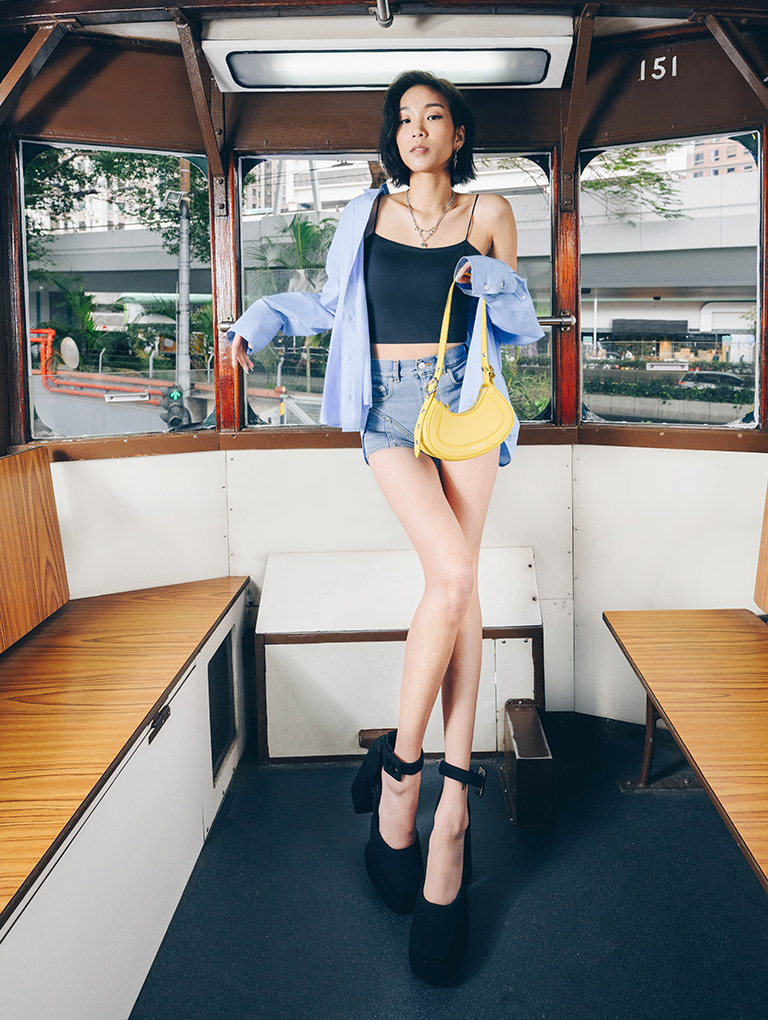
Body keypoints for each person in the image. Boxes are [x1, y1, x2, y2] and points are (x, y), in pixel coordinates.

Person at [229, 69, 543, 985]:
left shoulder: (491, 210)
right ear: (393, 137)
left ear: (457, 134)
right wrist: (258, 320)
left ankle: (443, 812)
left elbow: (521, 322)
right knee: (453, 576)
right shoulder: (364, 212)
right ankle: (409, 776)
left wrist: (493, 277)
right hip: (386, 408)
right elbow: (332, 306)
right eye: (404, 118)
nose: (416, 130)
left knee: (460, 585)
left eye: (432, 116)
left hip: (466, 398)